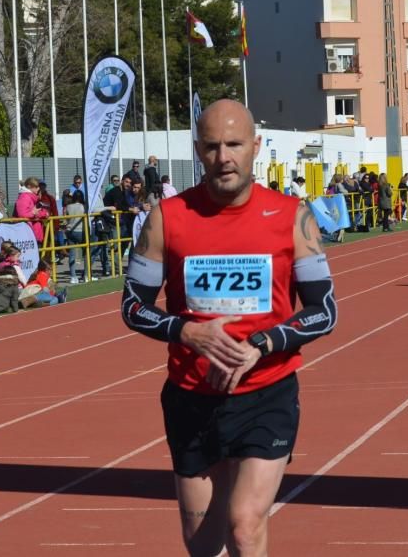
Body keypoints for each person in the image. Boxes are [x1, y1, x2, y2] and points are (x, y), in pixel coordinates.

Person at [121, 99, 338, 556]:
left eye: (235, 144)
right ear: (198, 150)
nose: (224, 157)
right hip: (191, 396)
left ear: (255, 146)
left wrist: (261, 344)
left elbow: (324, 310)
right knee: (203, 545)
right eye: (213, 146)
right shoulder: (166, 218)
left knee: (243, 526)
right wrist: (186, 332)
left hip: (266, 391)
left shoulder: (292, 216)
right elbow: (133, 307)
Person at [14, 177, 50, 244]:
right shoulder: (25, 197)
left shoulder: (31, 197)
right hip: (29, 233)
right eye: (36, 187)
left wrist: (43, 214)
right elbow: (22, 214)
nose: (38, 188)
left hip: (32, 232)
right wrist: (35, 213)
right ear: (29, 186)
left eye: (38, 187)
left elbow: (35, 211)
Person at [63, 190, 87, 283]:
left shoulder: (68, 206)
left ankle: (73, 276)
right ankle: (86, 274)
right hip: (81, 231)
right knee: (86, 253)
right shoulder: (83, 206)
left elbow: (65, 219)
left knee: (72, 255)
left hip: (70, 231)